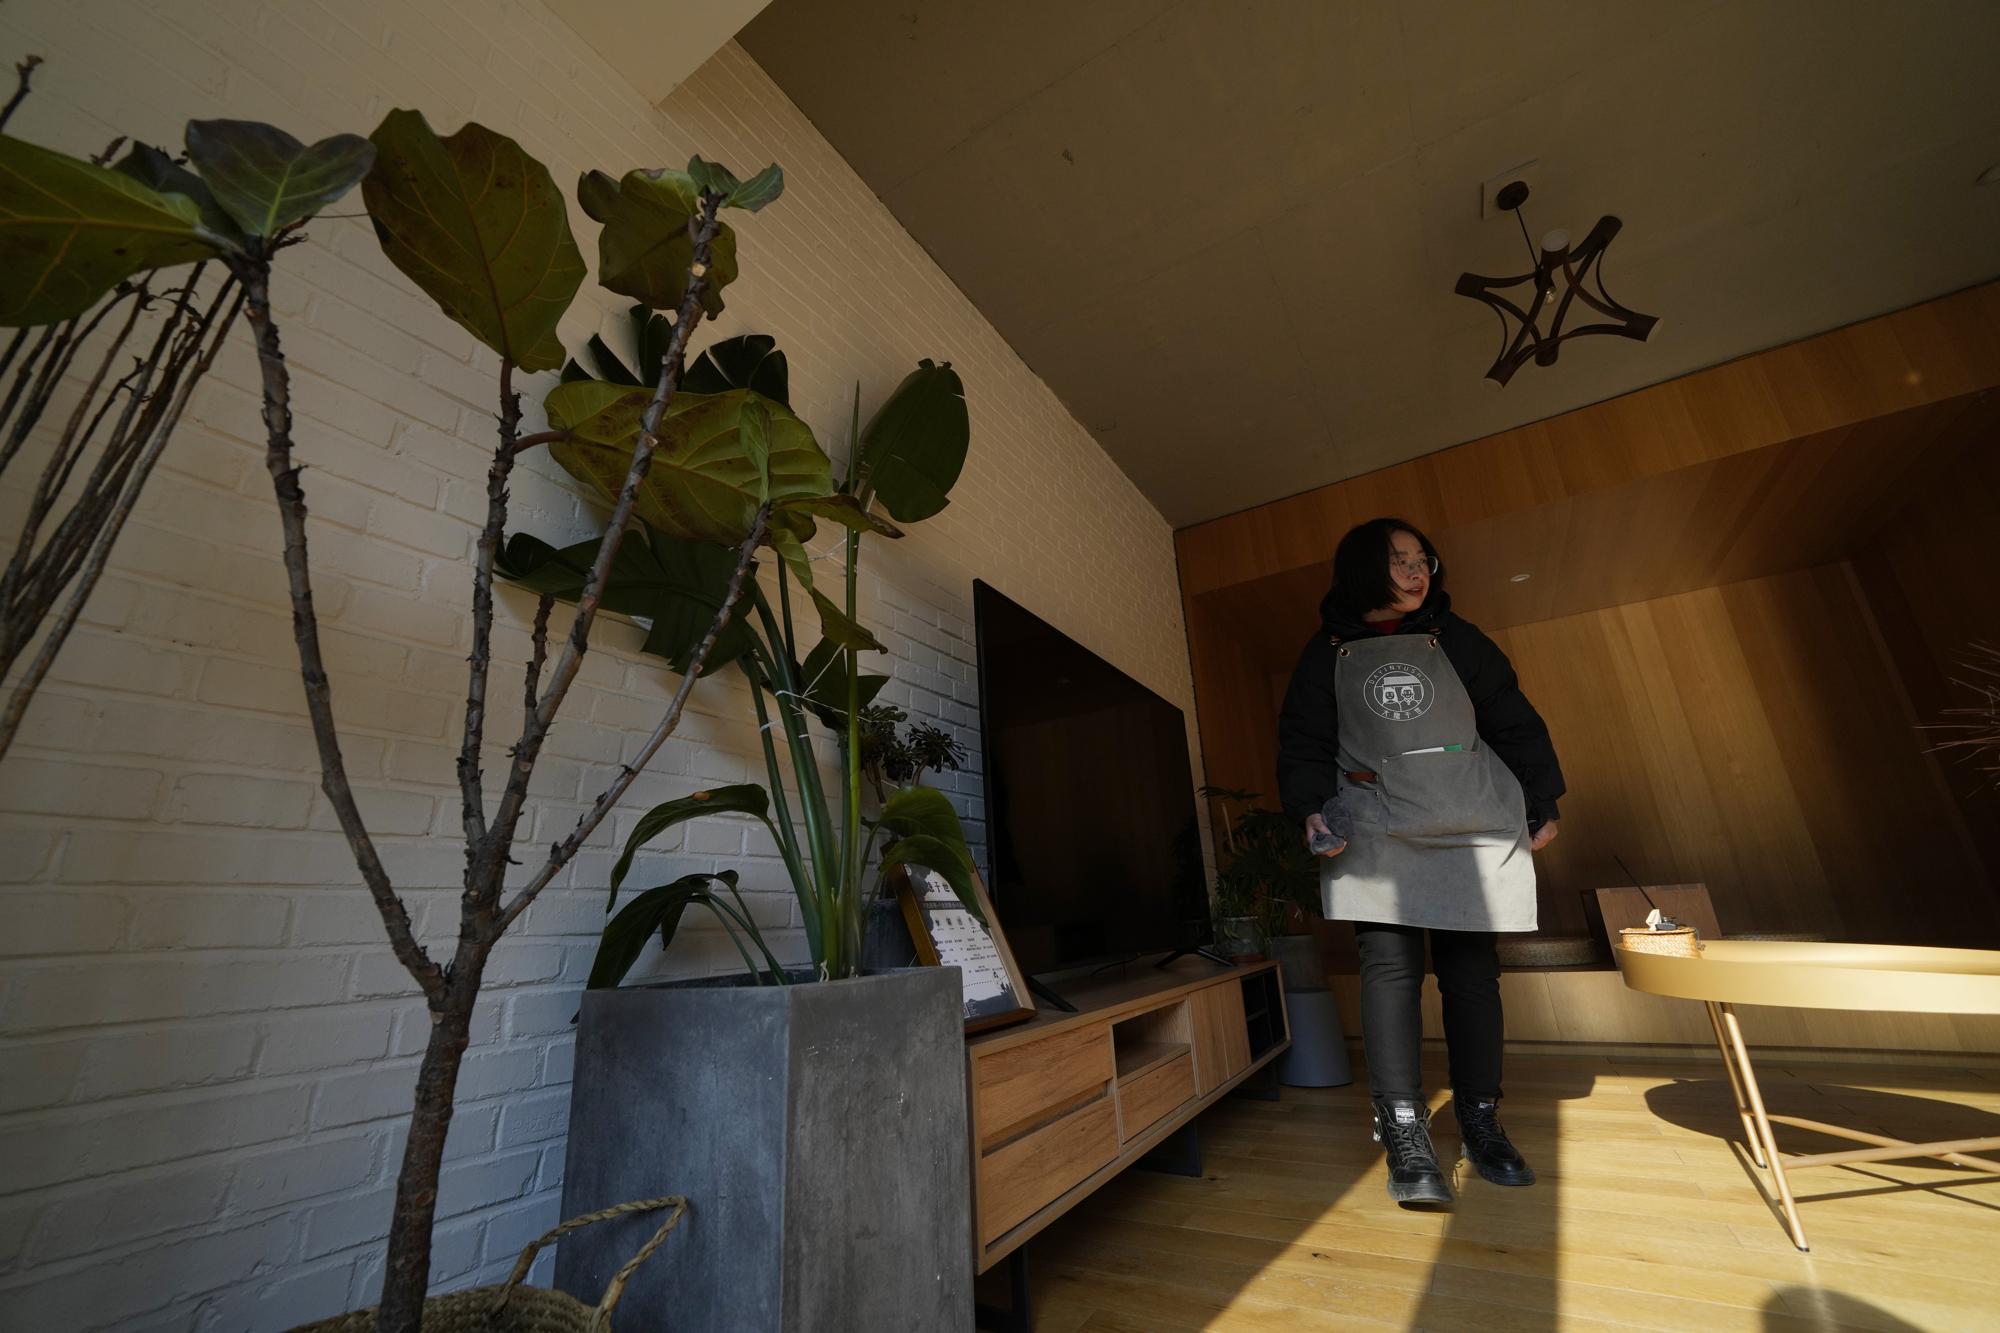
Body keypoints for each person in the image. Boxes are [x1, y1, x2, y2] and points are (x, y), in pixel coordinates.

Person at [1277, 517, 1565, 1207]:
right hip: (1378, 826)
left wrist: (1542, 798)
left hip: (1469, 820)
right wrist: (1312, 807)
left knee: (1471, 975)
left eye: (1422, 559)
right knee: (1391, 971)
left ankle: (1480, 1115)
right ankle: (1403, 1123)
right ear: (1361, 568)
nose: (1416, 571)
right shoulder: (1325, 654)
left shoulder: (1457, 639)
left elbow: (1510, 718)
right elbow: (1305, 741)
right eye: (1398, 559)